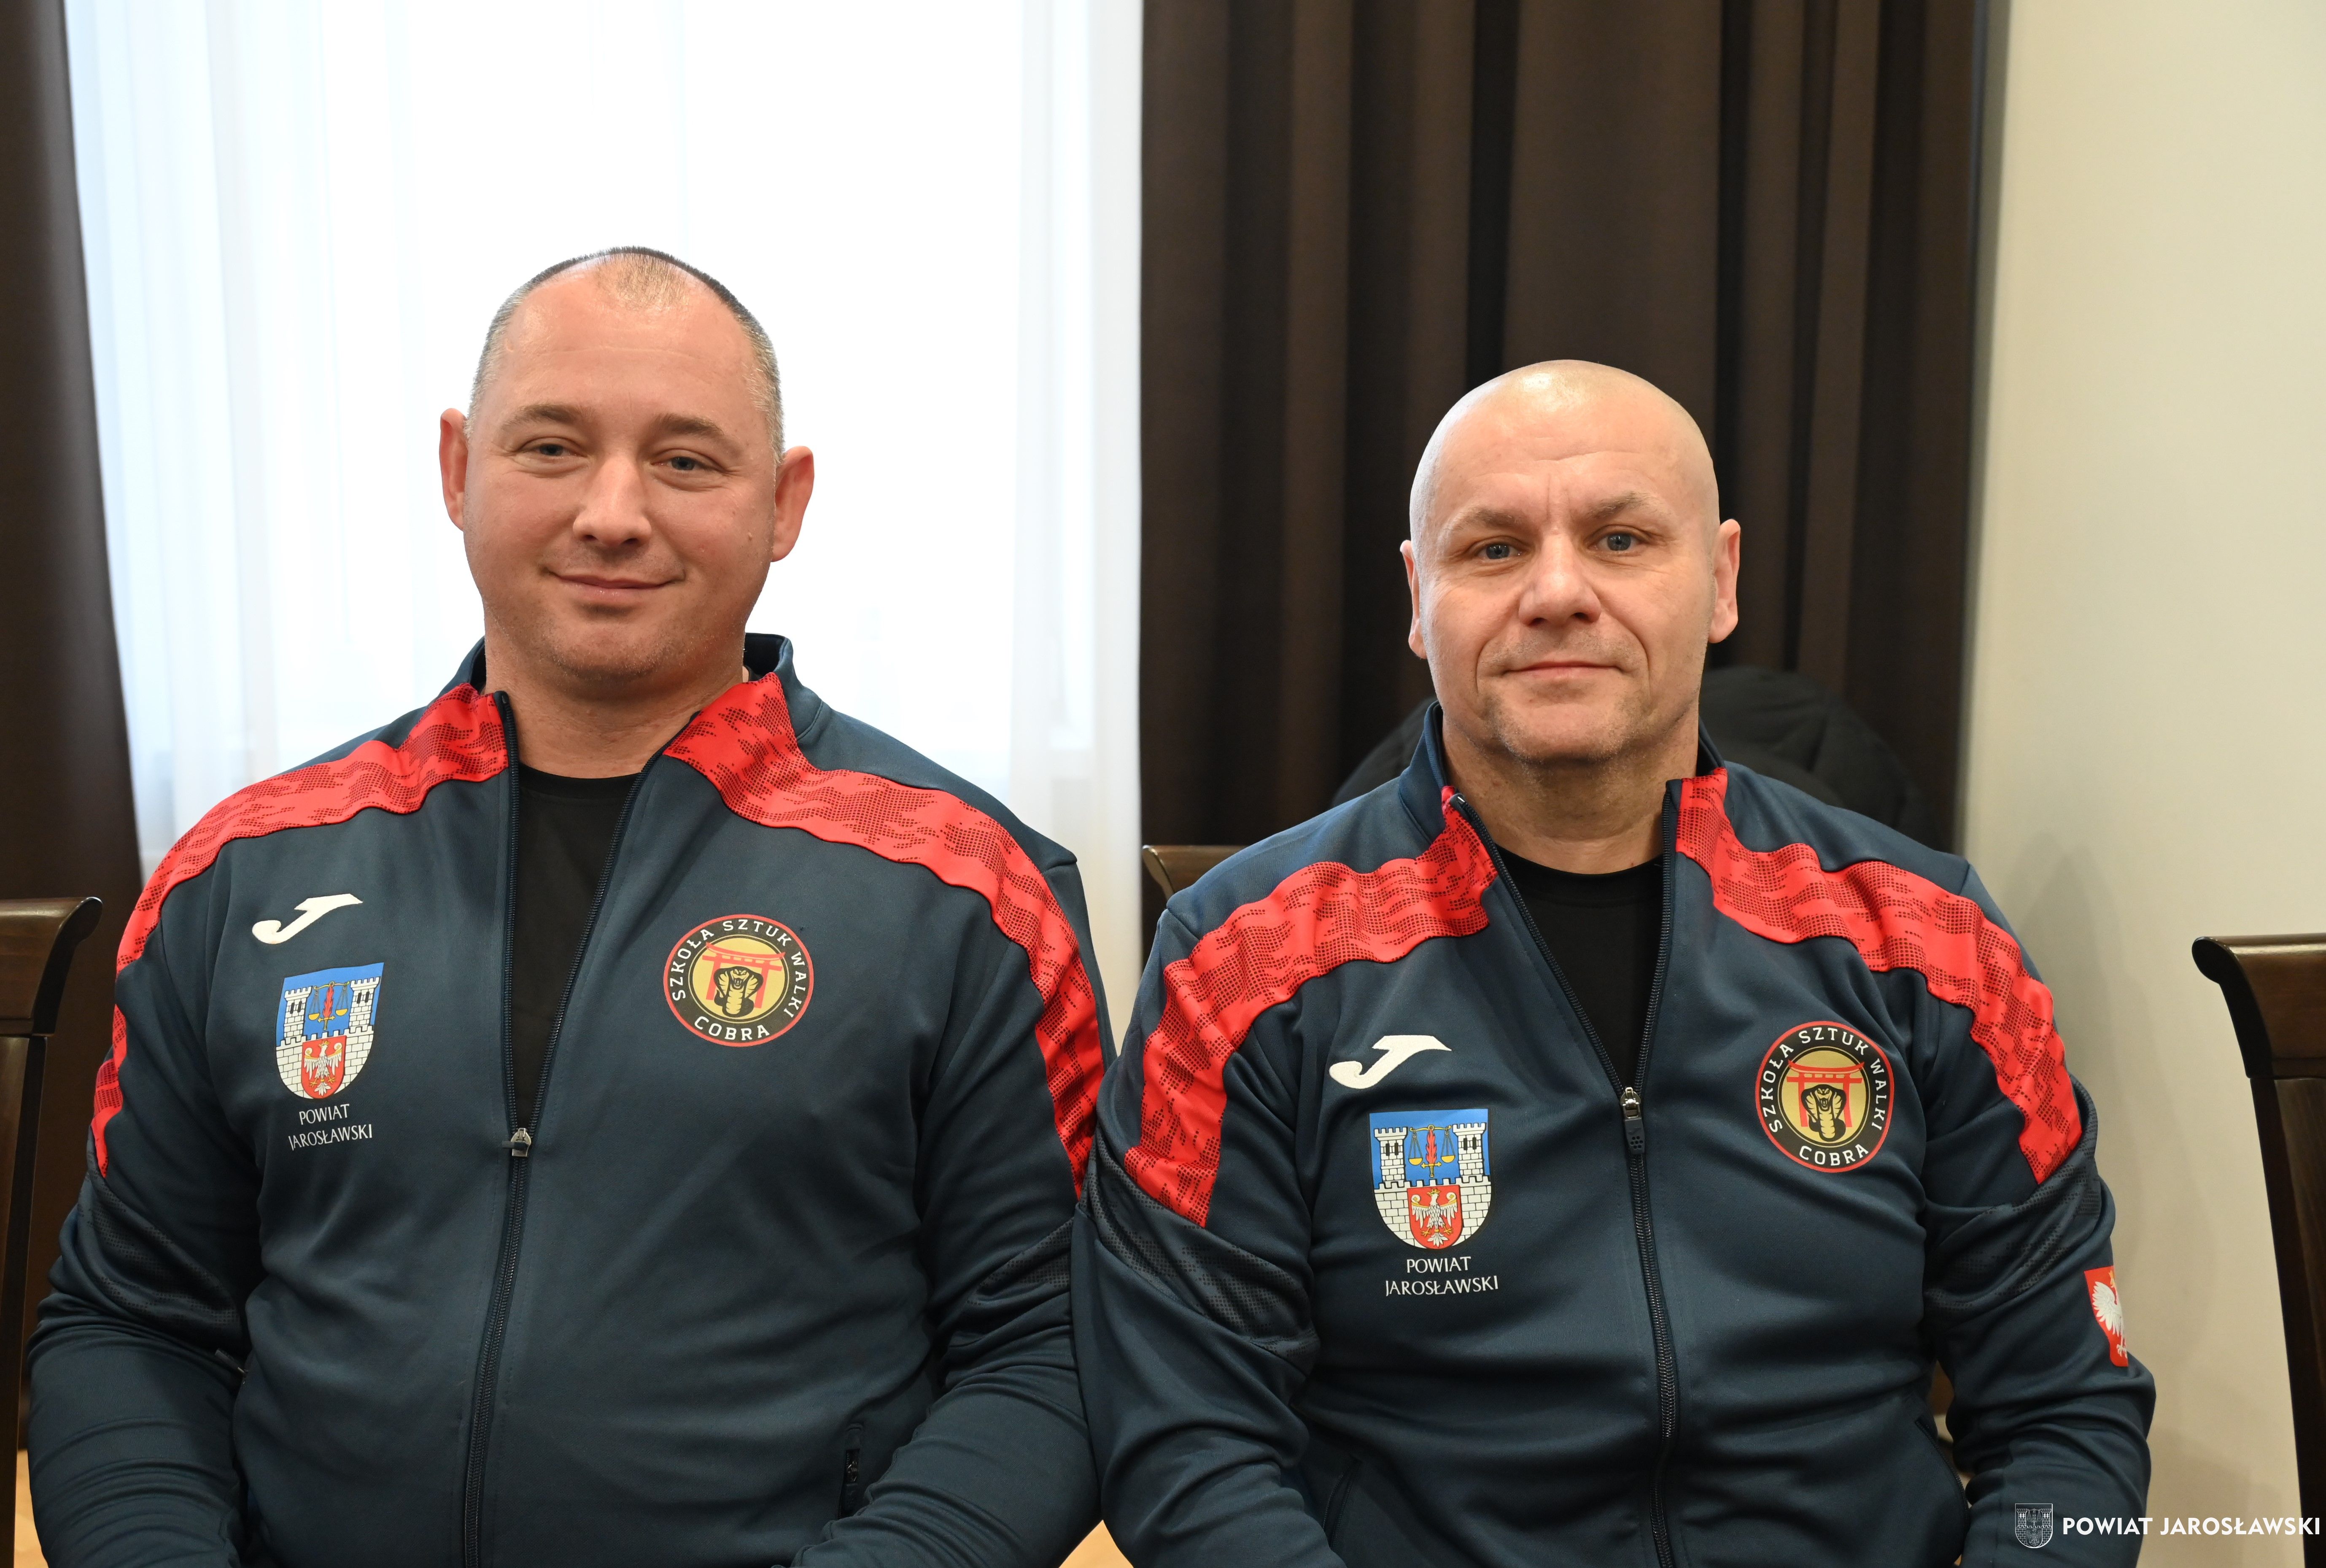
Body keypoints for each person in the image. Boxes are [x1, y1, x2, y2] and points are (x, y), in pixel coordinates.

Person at [30, 248, 1109, 1568]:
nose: (612, 513)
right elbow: (135, 1323)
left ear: (783, 504)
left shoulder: (966, 888)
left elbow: (1049, 1349)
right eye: (551, 448)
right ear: (457, 470)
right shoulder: (243, 873)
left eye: (686, 462)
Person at [1075, 361, 2152, 1566]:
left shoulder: (1929, 938)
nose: (1556, 593)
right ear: (1419, 599)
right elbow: (1190, 1445)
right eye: (1492, 550)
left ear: (1721, 581)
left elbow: (2065, 1416)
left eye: (1621, 539)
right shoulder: (1243, 959)